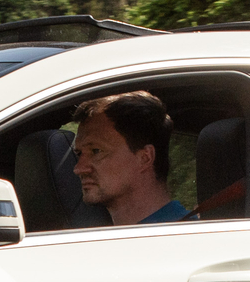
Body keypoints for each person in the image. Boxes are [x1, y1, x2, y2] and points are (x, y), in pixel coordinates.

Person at [71, 91, 188, 225]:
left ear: (145, 158)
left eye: (96, 151)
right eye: (79, 153)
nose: (79, 168)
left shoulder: (182, 240)